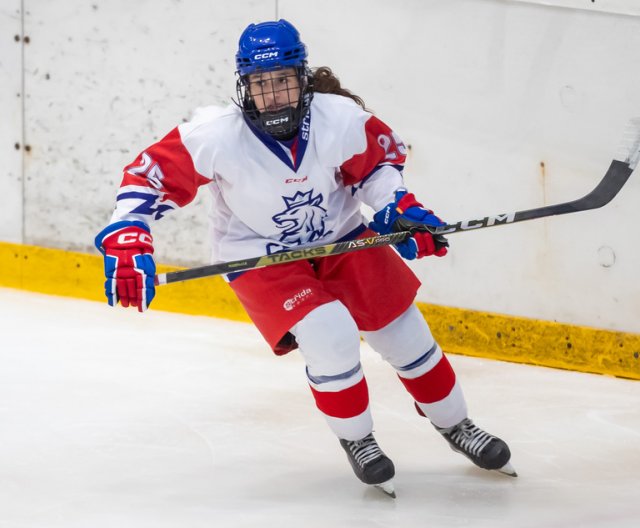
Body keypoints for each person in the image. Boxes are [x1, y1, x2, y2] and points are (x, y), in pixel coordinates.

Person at [95, 19, 515, 497]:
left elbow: (377, 169)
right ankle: (359, 441)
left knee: (405, 334)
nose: (271, 94)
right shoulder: (216, 134)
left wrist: (398, 208)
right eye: (259, 83)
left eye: (282, 81)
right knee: (329, 332)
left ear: (302, 77)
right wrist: (130, 233)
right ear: (244, 86)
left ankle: (456, 425)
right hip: (258, 256)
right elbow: (145, 177)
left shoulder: (339, 119)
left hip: (342, 239)